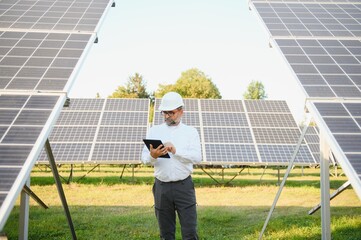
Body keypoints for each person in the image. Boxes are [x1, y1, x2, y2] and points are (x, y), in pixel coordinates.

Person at [141, 92, 202, 240]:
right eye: (165, 112)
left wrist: (176, 151)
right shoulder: (155, 130)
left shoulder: (190, 132)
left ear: (181, 111)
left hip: (184, 187)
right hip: (162, 188)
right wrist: (152, 156)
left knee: (190, 233)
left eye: (171, 112)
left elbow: (197, 157)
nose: (167, 116)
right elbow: (144, 159)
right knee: (166, 234)